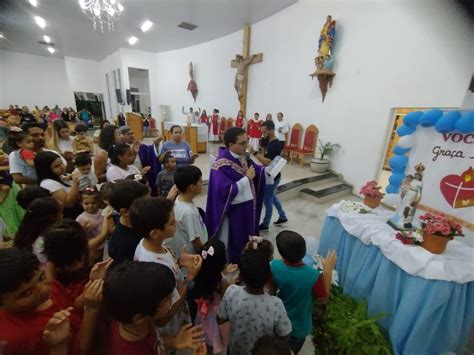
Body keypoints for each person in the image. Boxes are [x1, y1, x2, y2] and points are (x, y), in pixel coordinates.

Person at [130, 197, 203, 345]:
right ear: (155, 233)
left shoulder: (145, 243)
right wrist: (190, 277)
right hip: (171, 325)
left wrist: (179, 262)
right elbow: (163, 319)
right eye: (171, 223)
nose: (176, 224)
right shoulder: (156, 270)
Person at [0, 248, 90, 355]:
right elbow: (81, 350)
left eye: (41, 277)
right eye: (26, 293)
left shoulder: (48, 288)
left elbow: (72, 304)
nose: (43, 289)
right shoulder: (21, 339)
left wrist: (90, 290)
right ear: (2, 304)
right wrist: (92, 309)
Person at [103, 261, 206, 354]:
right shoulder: (130, 351)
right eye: (166, 300)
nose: (172, 299)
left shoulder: (128, 316)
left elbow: (153, 339)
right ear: (139, 318)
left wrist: (174, 342)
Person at [205, 127, 266, 263]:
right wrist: (247, 179)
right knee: (235, 240)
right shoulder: (220, 165)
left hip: (247, 208)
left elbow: (252, 169)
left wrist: (265, 171)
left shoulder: (241, 156)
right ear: (231, 145)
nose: (247, 146)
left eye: (247, 141)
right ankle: (235, 262)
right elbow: (225, 192)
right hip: (234, 213)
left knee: (246, 236)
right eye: (243, 143)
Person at [270, 231, 337, 354]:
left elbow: (271, 291)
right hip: (299, 327)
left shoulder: (274, 266)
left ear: (281, 254)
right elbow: (323, 299)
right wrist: (328, 271)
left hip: (277, 321)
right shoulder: (313, 275)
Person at [217, 249, 292, 354]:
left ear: (240, 276)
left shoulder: (232, 291)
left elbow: (220, 318)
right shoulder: (276, 304)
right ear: (268, 277)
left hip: (235, 349)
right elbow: (284, 334)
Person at [188, 239, 237, 353]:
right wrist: (231, 280)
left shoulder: (197, 276)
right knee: (213, 340)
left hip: (200, 316)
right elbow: (225, 298)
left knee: (203, 341)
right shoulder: (222, 283)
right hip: (214, 318)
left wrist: (224, 273)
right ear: (222, 263)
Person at [249, 120, 288, 231]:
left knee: (268, 200)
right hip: (272, 175)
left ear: (271, 130)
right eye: (262, 132)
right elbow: (264, 152)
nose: (263, 134)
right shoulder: (269, 142)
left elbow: (268, 162)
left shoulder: (275, 144)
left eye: (265, 132)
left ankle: (265, 224)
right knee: (272, 197)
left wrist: (254, 153)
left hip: (272, 177)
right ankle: (283, 216)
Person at [107, 180, 149, 266]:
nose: (149, 206)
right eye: (143, 204)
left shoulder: (136, 223)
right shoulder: (125, 245)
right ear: (125, 212)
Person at [171, 166, 208, 259]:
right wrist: (205, 254)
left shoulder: (179, 199)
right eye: (200, 181)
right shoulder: (189, 213)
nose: (202, 184)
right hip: (193, 257)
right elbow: (195, 241)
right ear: (191, 187)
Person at [14, 197, 63, 264]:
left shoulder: (27, 231)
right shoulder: (45, 241)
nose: (62, 216)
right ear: (52, 216)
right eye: (61, 212)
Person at [34, 151, 81, 218]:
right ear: (46, 169)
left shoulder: (60, 176)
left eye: (61, 163)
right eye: (57, 166)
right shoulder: (48, 183)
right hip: (70, 216)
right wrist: (75, 184)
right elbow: (68, 204)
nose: (62, 167)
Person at [75, 188, 111, 261]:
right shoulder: (81, 218)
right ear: (81, 203)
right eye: (86, 203)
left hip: (106, 245)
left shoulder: (104, 212)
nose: (90, 206)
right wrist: (84, 230)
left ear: (98, 202)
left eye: (94, 203)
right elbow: (78, 237)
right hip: (93, 248)